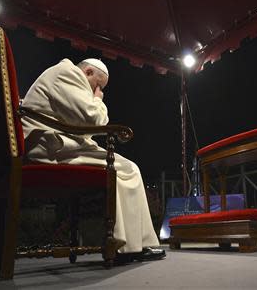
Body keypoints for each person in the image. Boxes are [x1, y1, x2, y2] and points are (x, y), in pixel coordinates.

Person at [21, 58, 165, 262]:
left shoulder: (59, 74)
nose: (98, 90)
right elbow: (93, 120)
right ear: (87, 72)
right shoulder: (68, 73)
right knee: (128, 169)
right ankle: (129, 247)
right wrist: (98, 99)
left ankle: (128, 243)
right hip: (52, 147)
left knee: (125, 167)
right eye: (98, 85)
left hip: (55, 142)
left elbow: (79, 123)